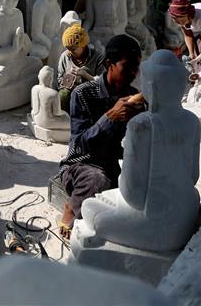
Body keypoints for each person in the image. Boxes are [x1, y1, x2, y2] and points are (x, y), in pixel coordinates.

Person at [58, 35, 144, 238]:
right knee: (97, 180)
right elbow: (79, 145)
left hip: (116, 163)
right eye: (128, 66)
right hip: (83, 165)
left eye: (136, 67)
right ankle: (71, 208)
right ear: (108, 64)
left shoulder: (134, 95)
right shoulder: (83, 94)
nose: (133, 73)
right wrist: (110, 117)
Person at [56, 24, 106, 111]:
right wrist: (68, 80)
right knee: (62, 95)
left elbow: (102, 84)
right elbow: (59, 81)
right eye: (68, 49)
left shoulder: (98, 58)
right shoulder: (65, 56)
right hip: (71, 93)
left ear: (83, 45)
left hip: (90, 94)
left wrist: (85, 75)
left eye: (73, 49)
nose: (70, 52)